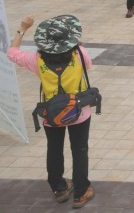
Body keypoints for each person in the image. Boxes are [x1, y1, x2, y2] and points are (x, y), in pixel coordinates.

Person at [7, 14, 95, 208]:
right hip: (79, 112)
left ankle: (59, 188)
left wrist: (22, 28)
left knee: (54, 150)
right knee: (79, 150)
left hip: (51, 115)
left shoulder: (37, 59)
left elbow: (12, 53)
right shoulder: (80, 53)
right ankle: (81, 192)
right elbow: (88, 66)